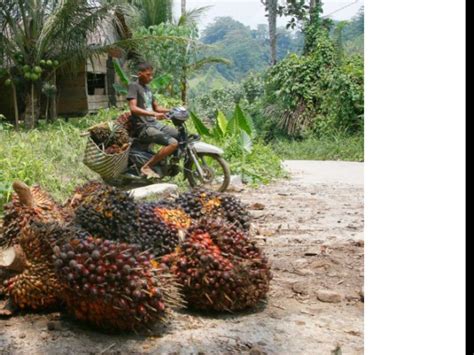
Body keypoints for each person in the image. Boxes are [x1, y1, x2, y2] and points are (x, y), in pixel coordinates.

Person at [126, 62, 179, 179]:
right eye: (148, 75)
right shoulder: (134, 86)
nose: (151, 77)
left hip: (154, 124)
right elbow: (133, 108)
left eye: (152, 75)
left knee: (178, 134)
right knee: (173, 143)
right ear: (140, 74)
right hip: (143, 126)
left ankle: (168, 163)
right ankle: (146, 167)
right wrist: (154, 114)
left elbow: (157, 107)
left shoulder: (147, 89)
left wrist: (173, 110)